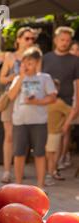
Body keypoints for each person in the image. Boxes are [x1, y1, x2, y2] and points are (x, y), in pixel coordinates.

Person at [8, 47, 57, 189]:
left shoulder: (45, 78)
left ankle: (40, 187)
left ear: (37, 63)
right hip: (20, 122)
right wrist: (21, 77)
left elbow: (53, 97)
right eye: (25, 63)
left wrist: (38, 102)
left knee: (40, 154)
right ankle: (18, 186)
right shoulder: (18, 78)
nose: (27, 66)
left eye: (30, 63)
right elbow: (10, 96)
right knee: (19, 154)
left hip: (39, 122)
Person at [0, 27, 38, 183]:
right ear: (18, 39)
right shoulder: (10, 56)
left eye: (32, 39)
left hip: (28, 99)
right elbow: (2, 79)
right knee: (9, 136)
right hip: (11, 98)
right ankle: (7, 171)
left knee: (24, 136)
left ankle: (18, 169)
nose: (30, 41)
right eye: (27, 38)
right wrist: (15, 76)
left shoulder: (35, 56)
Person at [43, 27, 79, 170]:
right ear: (56, 40)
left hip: (67, 102)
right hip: (47, 102)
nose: (65, 43)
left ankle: (58, 163)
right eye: (62, 40)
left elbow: (77, 84)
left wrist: (76, 105)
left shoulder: (75, 60)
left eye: (67, 40)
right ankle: (50, 166)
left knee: (63, 133)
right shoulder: (46, 58)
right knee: (49, 135)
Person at [45, 79, 71, 186]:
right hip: (45, 132)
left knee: (51, 156)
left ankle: (50, 175)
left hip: (54, 133)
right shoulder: (44, 101)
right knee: (48, 155)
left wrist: (65, 124)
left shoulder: (59, 103)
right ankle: (52, 173)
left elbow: (71, 111)